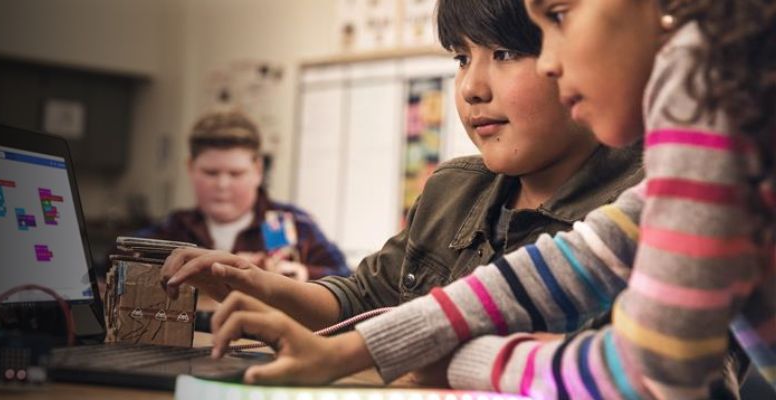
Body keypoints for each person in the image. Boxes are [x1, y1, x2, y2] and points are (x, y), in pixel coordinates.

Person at [200, 0, 776, 396]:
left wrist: (451, 363)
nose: (552, 60)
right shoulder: (702, 133)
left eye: (556, 17)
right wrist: (359, 351)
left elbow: (655, 377)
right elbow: (572, 264)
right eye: (460, 58)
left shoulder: (699, 89)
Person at [132, 110, 351, 282]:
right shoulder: (173, 228)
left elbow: (347, 279)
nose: (222, 185)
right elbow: (113, 269)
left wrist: (302, 274)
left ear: (258, 170)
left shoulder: (293, 224)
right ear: (190, 168)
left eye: (236, 174)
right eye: (210, 173)